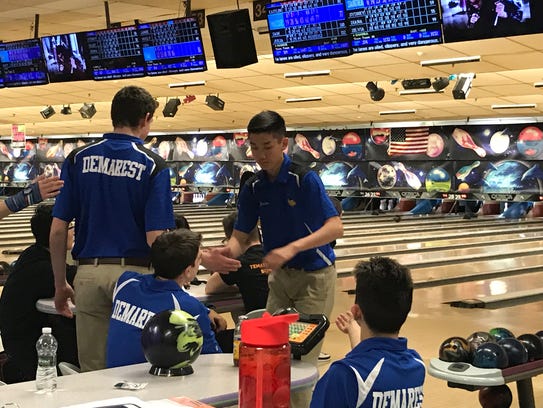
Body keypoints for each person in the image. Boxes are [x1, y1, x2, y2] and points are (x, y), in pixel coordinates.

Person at [50, 86, 177, 372]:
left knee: (93, 372)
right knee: (137, 368)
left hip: (89, 274)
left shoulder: (77, 159)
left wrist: (60, 284)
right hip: (135, 276)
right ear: (146, 118)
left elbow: (58, 230)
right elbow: (156, 238)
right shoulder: (152, 164)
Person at [223, 110, 343, 360]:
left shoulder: (303, 179)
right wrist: (224, 254)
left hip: (314, 278)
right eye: (255, 148)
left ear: (283, 143)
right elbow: (240, 237)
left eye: (267, 146)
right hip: (279, 280)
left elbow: (335, 227)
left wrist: (293, 248)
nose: (261, 155)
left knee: (301, 359)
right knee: (270, 356)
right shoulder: (254, 186)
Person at [310, 257, 425, 408]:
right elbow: (372, 363)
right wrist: (352, 327)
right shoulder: (416, 366)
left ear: (356, 312)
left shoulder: (343, 375)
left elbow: (363, 368)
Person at [106, 229, 224, 368]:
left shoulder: (125, 282)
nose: (201, 261)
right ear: (188, 271)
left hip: (112, 378)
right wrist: (202, 312)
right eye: (199, 258)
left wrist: (205, 311)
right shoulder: (187, 307)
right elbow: (213, 358)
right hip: (152, 384)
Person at [0, 203, 78, 383]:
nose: (73, 231)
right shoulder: (43, 268)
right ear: (55, 233)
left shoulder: (33, 254)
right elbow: (81, 281)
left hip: (17, 342)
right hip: (29, 350)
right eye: (70, 227)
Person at [205, 211, 269, 313]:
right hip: (287, 321)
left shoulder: (238, 264)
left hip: (257, 323)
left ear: (232, 238)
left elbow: (210, 288)